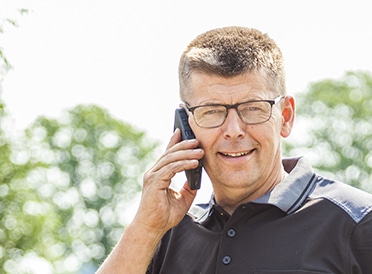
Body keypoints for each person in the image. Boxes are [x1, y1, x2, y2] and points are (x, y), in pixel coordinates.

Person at [96, 26, 372, 273]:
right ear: (186, 125)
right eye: (212, 111)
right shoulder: (163, 234)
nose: (233, 130)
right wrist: (145, 229)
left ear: (285, 116)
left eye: (253, 108)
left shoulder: (359, 222)